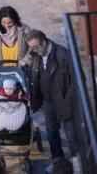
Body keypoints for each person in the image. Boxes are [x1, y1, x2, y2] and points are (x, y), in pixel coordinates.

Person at [25, 30, 77, 165]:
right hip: (47, 101)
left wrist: (69, 102)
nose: (33, 51)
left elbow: (77, 81)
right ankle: (58, 161)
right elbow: (34, 78)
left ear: (44, 42)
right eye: (31, 48)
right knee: (51, 132)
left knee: (71, 134)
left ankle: (78, 163)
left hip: (64, 101)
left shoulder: (63, 55)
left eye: (36, 47)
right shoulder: (35, 55)